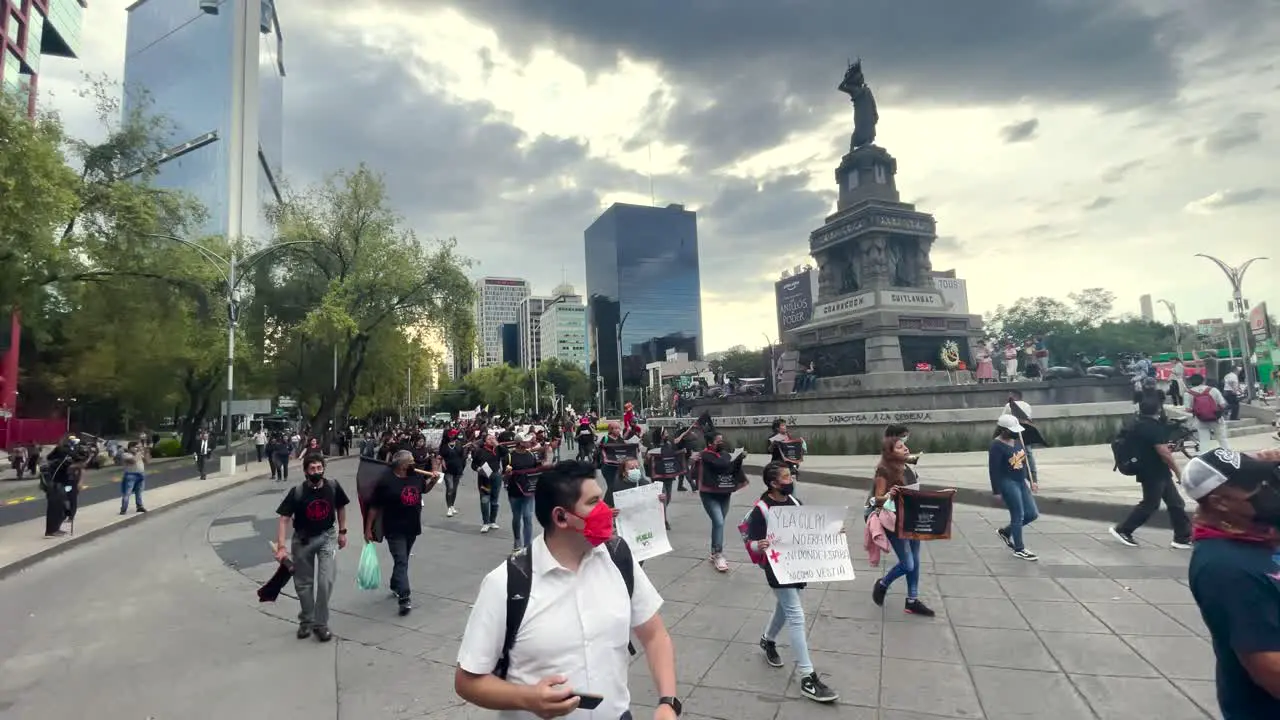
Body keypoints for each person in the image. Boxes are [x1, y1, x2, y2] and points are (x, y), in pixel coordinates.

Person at [454, 460, 679, 720]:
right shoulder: (506, 583)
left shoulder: (618, 559)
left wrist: (667, 702)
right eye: (594, 502)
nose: (607, 510)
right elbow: (467, 681)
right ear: (561, 517)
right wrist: (527, 699)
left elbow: (655, 635)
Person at [1182, 447, 1280, 717]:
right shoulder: (1225, 568)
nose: (1269, 488)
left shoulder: (1259, 530)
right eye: (1258, 486)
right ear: (1221, 502)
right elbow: (1272, 670)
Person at [746, 462, 839, 703]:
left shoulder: (794, 503)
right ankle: (807, 676)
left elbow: (808, 530)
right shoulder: (762, 509)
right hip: (777, 569)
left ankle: (768, 640)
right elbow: (751, 543)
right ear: (774, 483)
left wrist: (832, 533)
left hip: (797, 566)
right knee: (796, 614)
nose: (791, 479)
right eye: (787, 477)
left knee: (785, 609)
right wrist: (759, 545)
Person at [274, 453, 350, 641]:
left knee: (326, 582)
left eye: (319, 468)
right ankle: (306, 620)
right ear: (306, 471)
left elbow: (341, 507)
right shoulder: (297, 492)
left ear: (323, 468)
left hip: (327, 538)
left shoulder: (332, 486)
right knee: (303, 584)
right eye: (312, 468)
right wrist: (282, 547)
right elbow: (284, 519)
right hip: (303, 540)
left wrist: (342, 531)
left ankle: (321, 624)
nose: (316, 471)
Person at [1110, 398, 1193, 549]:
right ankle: (1123, 530)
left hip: (1154, 469)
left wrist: (1165, 447)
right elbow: (1164, 454)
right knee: (1150, 504)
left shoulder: (1138, 423)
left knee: (1176, 503)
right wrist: (1179, 473)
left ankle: (1182, 537)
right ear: (1159, 410)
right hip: (1153, 471)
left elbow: (1148, 446)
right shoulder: (1154, 427)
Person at [869, 436, 936, 616]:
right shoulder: (883, 470)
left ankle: (912, 600)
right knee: (908, 564)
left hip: (912, 517)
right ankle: (882, 584)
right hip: (894, 521)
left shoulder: (906, 466)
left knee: (915, 560)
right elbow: (877, 499)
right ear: (890, 453)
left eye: (904, 445)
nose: (905, 448)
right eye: (900, 447)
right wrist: (889, 495)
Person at [365, 450, 437, 616]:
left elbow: (424, 490)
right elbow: (374, 507)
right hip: (394, 528)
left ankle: (395, 584)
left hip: (412, 527)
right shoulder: (386, 482)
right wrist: (368, 529)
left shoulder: (417, 477)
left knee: (402, 560)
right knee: (401, 560)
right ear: (401, 465)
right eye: (410, 461)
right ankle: (404, 598)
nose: (414, 463)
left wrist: (433, 481)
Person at [989, 415, 1039, 560]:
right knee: (1018, 514)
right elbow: (994, 470)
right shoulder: (996, 446)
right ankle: (1019, 548)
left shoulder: (1018, 441)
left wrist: (1032, 480)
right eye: (1012, 430)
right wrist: (996, 491)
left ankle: (1006, 532)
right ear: (1003, 430)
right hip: (1008, 482)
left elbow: (1025, 463)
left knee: (1032, 513)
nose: (1015, 433)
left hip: (1021, 481)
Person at [698, 432, 746, 572]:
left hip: (724, 493)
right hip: (709, 494)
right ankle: (719, 554)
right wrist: (734, 458)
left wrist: (739, 458)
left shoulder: (725, 454)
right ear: (710, 443)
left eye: (722, 440)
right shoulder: (705, 455)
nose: (721, 443)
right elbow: (720, 464)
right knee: (718, 521)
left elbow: (729, 466)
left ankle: (714, 552)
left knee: (719, 523)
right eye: (718, 441)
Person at [505, 434, 543, 551]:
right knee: (516, 517)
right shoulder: (510, 456)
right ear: (520, 443)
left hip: (528, 491)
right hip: (514, 491)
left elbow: (538, 470)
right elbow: (504, 475)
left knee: (527, 516)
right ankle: (517, 541)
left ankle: (527, 545)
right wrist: (507, 473)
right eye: (526, 441)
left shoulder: (531, 455)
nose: (529, 442)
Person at [1185, 374, 1230, 450]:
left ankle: (1204, 458)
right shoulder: (1213, 390)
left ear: (1190, 382)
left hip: (1200, 420)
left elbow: (1188, 409)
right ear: (1203, 381)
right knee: (1222, 439)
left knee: (1204, 441)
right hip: (1216, 419)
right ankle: (1228, 456)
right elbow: (1222, 405)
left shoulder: (1188, 393)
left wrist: (1198, 410)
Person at [472, 433, 505, 534]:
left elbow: (505, 453)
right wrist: (478, 469)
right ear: (485, 441)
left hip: (496, 476)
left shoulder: (498, 449)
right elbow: (474, 464)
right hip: (484, 477)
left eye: (493, 438)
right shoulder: (480, 451)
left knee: (495, 500)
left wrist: (497, 444)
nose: (492, 440)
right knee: (485, 500)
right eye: (489, 438)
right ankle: (485, 523)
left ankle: (492, 521)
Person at [437, 428, 467, 518]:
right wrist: (441, 462)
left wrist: (462, 469)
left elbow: (463, 457)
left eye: (453, 434)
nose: (452, 435)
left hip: (457, 469)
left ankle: (452, 505)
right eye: (450, 434)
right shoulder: (443, 445)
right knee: (450, 488)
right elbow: (440, 456)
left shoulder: (459, 443)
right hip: (447, 470)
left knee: (454, 489)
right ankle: (449, 508)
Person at [767, 418, 803, 483]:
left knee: (791, 483)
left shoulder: (789, 436)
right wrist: (773, 444)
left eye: (785, 425)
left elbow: (794, 448)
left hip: (790, 464)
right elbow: (769, 450)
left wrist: (800, 443)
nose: (785, 427)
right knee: (780, 482)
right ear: (777, 428)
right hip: (778, 463)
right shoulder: (772, 438)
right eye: (783, 425)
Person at [119, 441, 147, 515]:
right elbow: (133, 461)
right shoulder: (125, 454)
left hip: (140, 475)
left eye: (138, 447)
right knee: (127, 493)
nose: (137, 449)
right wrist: (139, 453)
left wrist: (146, 453)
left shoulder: (139, 454)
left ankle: (139, 506)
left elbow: (147, 461)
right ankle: (123, 509)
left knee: (139, 492)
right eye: (135, 447)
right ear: (130, 448)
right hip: (130, 475)